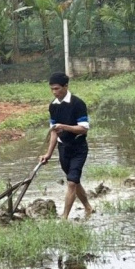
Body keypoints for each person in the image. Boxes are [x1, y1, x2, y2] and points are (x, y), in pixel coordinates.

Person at [39, 72, 93, 220]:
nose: (54, 92)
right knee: (74, 181)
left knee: (71, 183)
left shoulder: (78, 104)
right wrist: (48, 154)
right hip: (63, 149)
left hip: (78, 147)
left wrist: (64, 126)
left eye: (57, 89)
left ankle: (64, 218)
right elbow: (54, 133)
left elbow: (83, 128)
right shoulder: (53, 106)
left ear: (66, 86)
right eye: (52, 89)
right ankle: (88, 207)